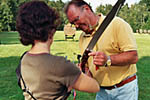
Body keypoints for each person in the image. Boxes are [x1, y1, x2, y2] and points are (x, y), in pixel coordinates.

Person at [16, 1, 100, 100]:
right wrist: (78, 72)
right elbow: (94, 87)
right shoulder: (61, 65)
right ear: (51, 29)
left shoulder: (24, 59)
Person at [64, 0, 139, 100]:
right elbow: (88, 70)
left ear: (86, 9)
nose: (76, 26)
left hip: (124, 90)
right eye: (73, 23)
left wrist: (108, 59)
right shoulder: (82, 38)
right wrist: (81, 72)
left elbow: (133, 56)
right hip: (102, 91)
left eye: (76, 19)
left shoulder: (117, 24)